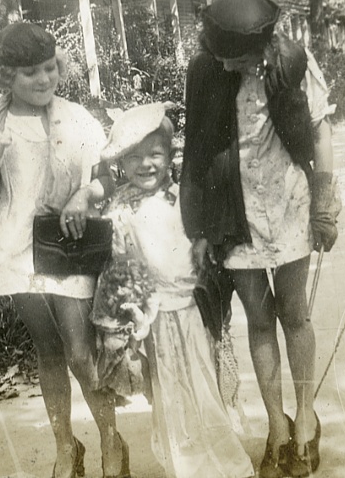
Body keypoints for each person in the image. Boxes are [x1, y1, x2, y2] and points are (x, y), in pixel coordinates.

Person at [0, 22, 130, 478]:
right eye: (29, 73)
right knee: (47, 350)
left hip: (68, 246)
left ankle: (110, 439)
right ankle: (66, 446)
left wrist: (84, 195)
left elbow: (108, 177)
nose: (43, 80)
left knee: (80, 352)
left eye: (49, 68)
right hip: (17, 250)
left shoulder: (77, 117)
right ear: (6, 77)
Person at [180, 0, 341, 478]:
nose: (229, 66)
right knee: (258, 319)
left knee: (294, 311)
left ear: (263, 44)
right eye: (222, 56)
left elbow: (320, 130)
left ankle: (306, 417)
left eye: (238, 57)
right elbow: (196, 150)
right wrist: (200, 227)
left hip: (289, 202)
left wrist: (325, 199)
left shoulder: (292, 61)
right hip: (234, 210)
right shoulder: (206, 70)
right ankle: (276, 425)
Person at [92, 103, 255, 478]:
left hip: (193, 309)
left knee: (206, 385)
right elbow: (120, 266)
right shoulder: (120, 209)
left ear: (170, 155)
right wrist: (127, 324)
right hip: (155, 317)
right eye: (134, 158)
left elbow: (204, 246)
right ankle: (187, 465)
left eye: (155, 154)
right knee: (169, 393)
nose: (146, 165)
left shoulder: (185, 197)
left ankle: (225, 461)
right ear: (120, 163)